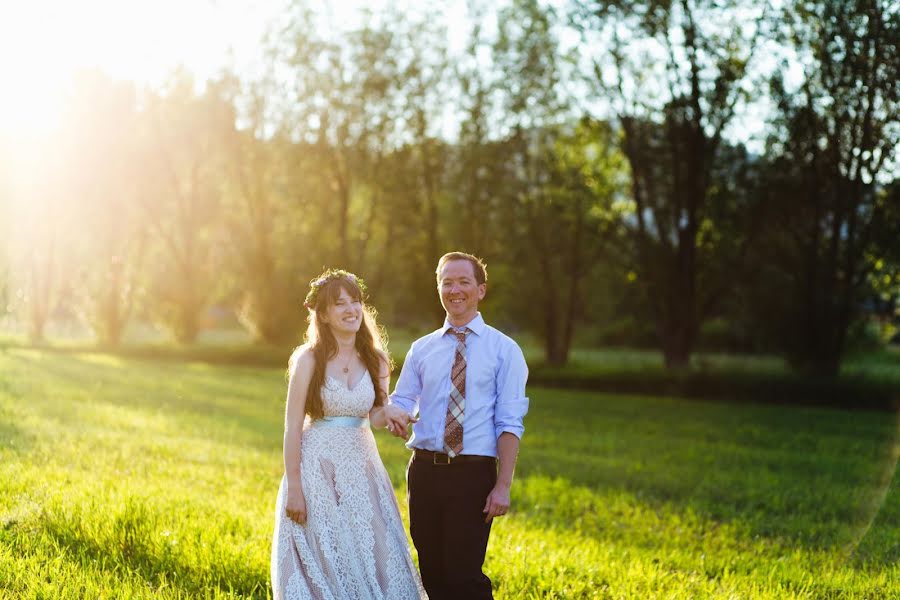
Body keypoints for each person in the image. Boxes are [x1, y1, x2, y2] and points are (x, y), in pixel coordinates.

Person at [270, 269, 426, 600]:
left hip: (363, 468)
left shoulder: (376, 359)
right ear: (323, 315)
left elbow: (377, 415)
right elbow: (292, 427)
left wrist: (394, 414)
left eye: (355, 301)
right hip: (317, 470)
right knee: (328, 554)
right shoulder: (308, 360)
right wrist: (295, 488)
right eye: (339, 304)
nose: (350, 309)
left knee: (375, 551)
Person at [388, 252, 529, 600]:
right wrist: (397, 414)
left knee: (463, 576)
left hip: (473, 475)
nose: (455, 289)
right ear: (438, 288)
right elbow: (403, 398)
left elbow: (509, 423)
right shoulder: (422, 349)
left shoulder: (505, 351)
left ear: (480, 290)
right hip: (424, 473)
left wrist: (503, 486)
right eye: (447, 282)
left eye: (463, 281)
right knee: (433, 574)